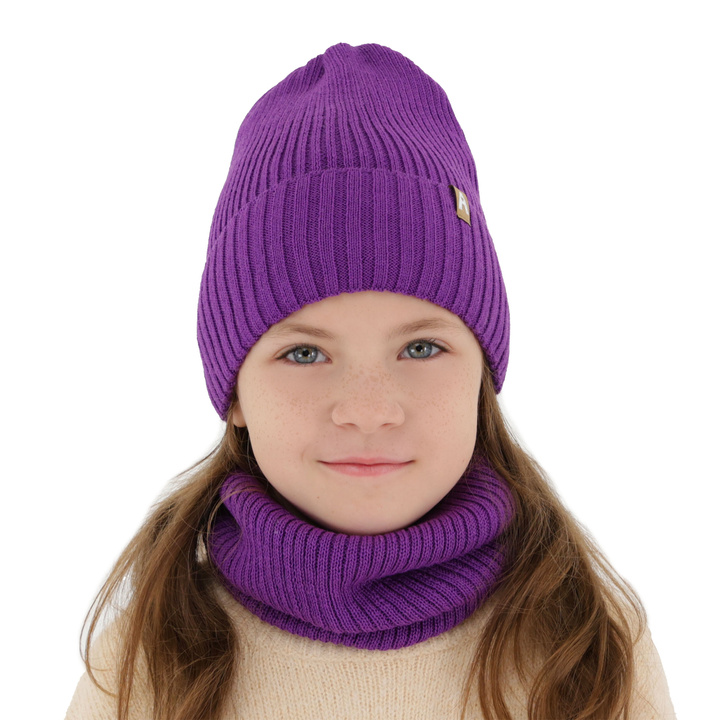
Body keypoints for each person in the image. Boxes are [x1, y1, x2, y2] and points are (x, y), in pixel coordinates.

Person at [65, 42, 676, 720]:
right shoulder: (146, 662)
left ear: (482, 374)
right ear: (234, 391)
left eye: (421, 347)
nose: (368, 410)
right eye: (304, 353)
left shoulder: (586, 647)